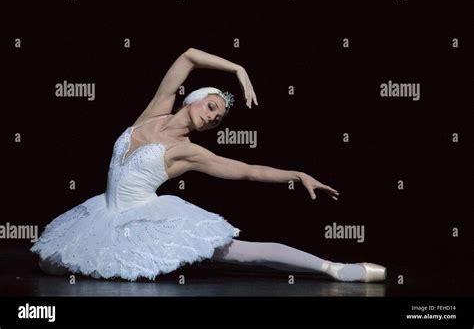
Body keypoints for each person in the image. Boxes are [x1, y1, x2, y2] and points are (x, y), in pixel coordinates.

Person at [31, 48, 386, 283]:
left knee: (242, 253)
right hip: (104, 214)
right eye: (212, 107)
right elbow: (188, 57)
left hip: (147, 218)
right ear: (193, 100)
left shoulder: (189, 151)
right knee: (49, 262)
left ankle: (335, 268)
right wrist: (238, 68)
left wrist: (296, 174)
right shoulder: (151, 113)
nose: (213, 117)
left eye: (218, 119)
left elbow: (248, 169)